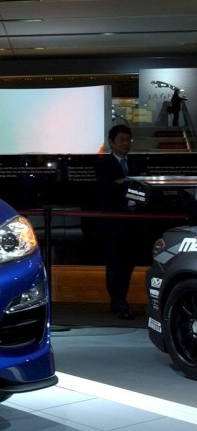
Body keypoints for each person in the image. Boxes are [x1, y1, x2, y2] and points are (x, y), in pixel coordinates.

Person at [94, 124, 141, 320]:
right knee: (115, 264)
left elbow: (142, 188)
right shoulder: (103, 164)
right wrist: (122, 186)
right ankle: (119, 302)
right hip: (113, 223)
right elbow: (106, 190)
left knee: (128, 264)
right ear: (111, 142)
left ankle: (121, 300)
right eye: (121, 139)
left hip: (133, 221)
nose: (126, 143)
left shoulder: (136, 164)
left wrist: (123, 185)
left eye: (128, 139)